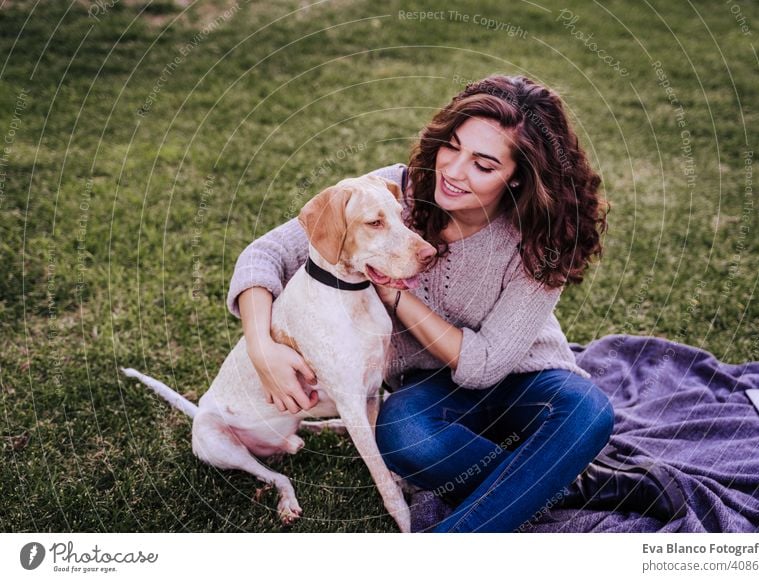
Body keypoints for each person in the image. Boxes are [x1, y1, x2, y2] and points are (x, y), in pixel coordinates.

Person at [226, 74, 685, 532]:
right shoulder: (390, 194)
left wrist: (395, 294)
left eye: (483, 165)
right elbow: (264, 254)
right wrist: (261, 348)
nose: (453, 171)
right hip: (430, 390)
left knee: (588, 411)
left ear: (518, 177)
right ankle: (568, 483)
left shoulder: (541, 241)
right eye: (453, 146)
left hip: (522, 380)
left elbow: (484, 366)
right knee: (403, 437)